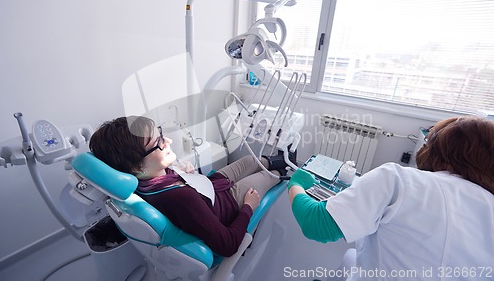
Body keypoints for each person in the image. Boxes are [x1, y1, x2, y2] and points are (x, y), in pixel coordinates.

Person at [288, 116, 494, 280]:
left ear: (436, 148)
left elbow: (315, 223)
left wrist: (295, 184)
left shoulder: (399, 179)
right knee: (350, 259)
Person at [89, 115, 289, 257]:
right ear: (135, 165)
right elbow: (228, 245)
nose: (168, 140)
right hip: (226, 204)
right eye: (158, 143)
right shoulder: (180, 199)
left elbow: (177, 188)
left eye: (160, 133)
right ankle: (287, 172)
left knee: (250, 161)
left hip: (208, 188)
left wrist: (183, 173)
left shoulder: (145, 180)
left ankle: (285, 160)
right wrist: (248, 207)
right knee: (267, 175)